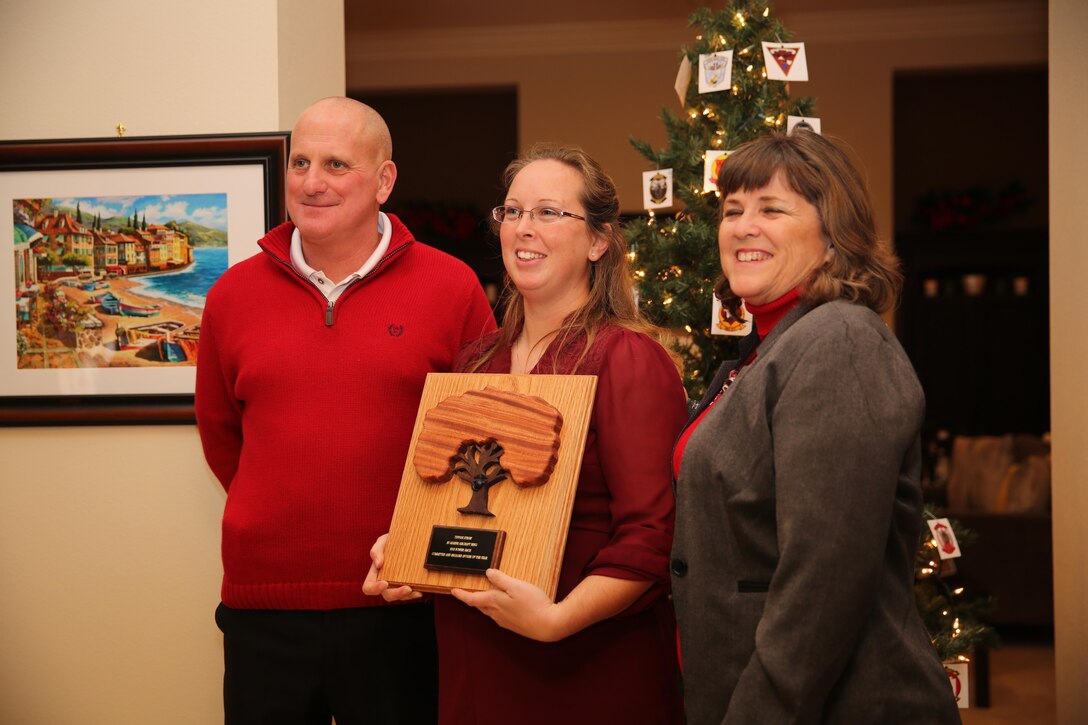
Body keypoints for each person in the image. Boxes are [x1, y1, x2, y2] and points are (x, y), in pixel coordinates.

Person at [195, 96, 496, 725]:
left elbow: (483, 436)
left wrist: (421, 542)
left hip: (404, 602)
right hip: (264, 606)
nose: (312, 183)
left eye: (336, 164)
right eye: (300, 162)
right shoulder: (231, 295)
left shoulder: (451, 287)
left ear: (384, 180)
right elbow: (222, 437)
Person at [365, 143, 688, 725]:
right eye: (512, 212)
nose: (524, 228)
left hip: (589, 668)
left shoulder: (627, 359)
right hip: (477, 664)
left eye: (548, 212)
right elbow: (452, 501)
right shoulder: (474, 361)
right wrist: (406, 549)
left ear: (598, 241)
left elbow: (652, 535)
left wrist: (557, 619)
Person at [670, 129, 961, 724]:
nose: (743, 226)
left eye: (772, 209)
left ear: (833, 240)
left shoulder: (840, 342)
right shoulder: (762, 352)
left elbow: (824, 581)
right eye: (732, 210)